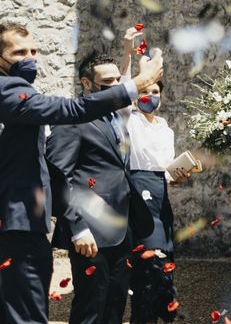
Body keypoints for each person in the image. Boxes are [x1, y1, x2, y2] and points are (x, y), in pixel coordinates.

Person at [0, 22, 162, 324]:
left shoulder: (20, 93)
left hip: (38, 224)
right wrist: (134, 85)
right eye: (19, 53)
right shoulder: (9, 91)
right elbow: (68, 129)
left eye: (34, 51)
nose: (30, 58)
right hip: (18, 222)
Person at [45, 53, 156, 324]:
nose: (116, 85)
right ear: (87, 83)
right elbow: (59, 177)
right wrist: (78, 227)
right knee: (90, 307)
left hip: (123, 228)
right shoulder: (71, 120)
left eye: (118, 79)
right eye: (108, 81)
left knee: (115, 306)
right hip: (91, 232)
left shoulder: (117, 118)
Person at [118, 26, 190, 324]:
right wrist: (127, 51)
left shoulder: (164, 126)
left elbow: (165, 167)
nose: (150, 96)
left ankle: (162, 315)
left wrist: (179, 173)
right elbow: (123, 86)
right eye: (145, 92)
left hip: (162, 194)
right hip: (139, 191)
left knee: (165, 260)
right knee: (150, 262)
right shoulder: (129, 120)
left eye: (155, 91)